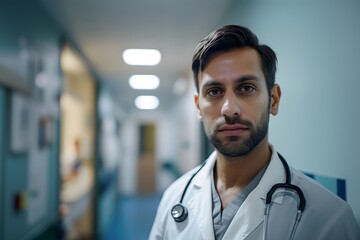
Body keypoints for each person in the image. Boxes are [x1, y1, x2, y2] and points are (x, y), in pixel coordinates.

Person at [149, 25, 360, 239]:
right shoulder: (174, 198)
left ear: (274, 100)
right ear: (198, 107)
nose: (229, 109)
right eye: (214, 91)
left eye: (246, 88)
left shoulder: (329, 219)